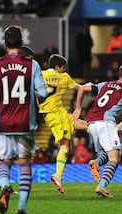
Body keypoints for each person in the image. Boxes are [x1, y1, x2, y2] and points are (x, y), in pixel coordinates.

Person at [0, 25, 47, 214]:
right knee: (25, 164)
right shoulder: (31, 65)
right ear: (22, 42)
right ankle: (22, 208)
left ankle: (4, 186)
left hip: (4, 124)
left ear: (4, 43)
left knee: (4, 161)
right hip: (25, 123)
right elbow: (42, 93)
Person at [72, 64, 122, 197]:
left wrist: (78, 108)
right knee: (115, 159)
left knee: (108, 154)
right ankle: (102, 186)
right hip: (105, 123)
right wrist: (121, 134)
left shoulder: (105, 85)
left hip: (92, 123)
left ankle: (96, 162)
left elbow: (81, 87)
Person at [37, 53, 83, 194]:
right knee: (65, 146)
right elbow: (80, 88)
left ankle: (106, 127)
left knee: (78, 123)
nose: (64, 70)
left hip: (53, 113)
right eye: (63, 68)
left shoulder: (39, 74)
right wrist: (78, 107)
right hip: (55, 114)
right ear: (57, 67)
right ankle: (57, 175)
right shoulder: (64, 77)